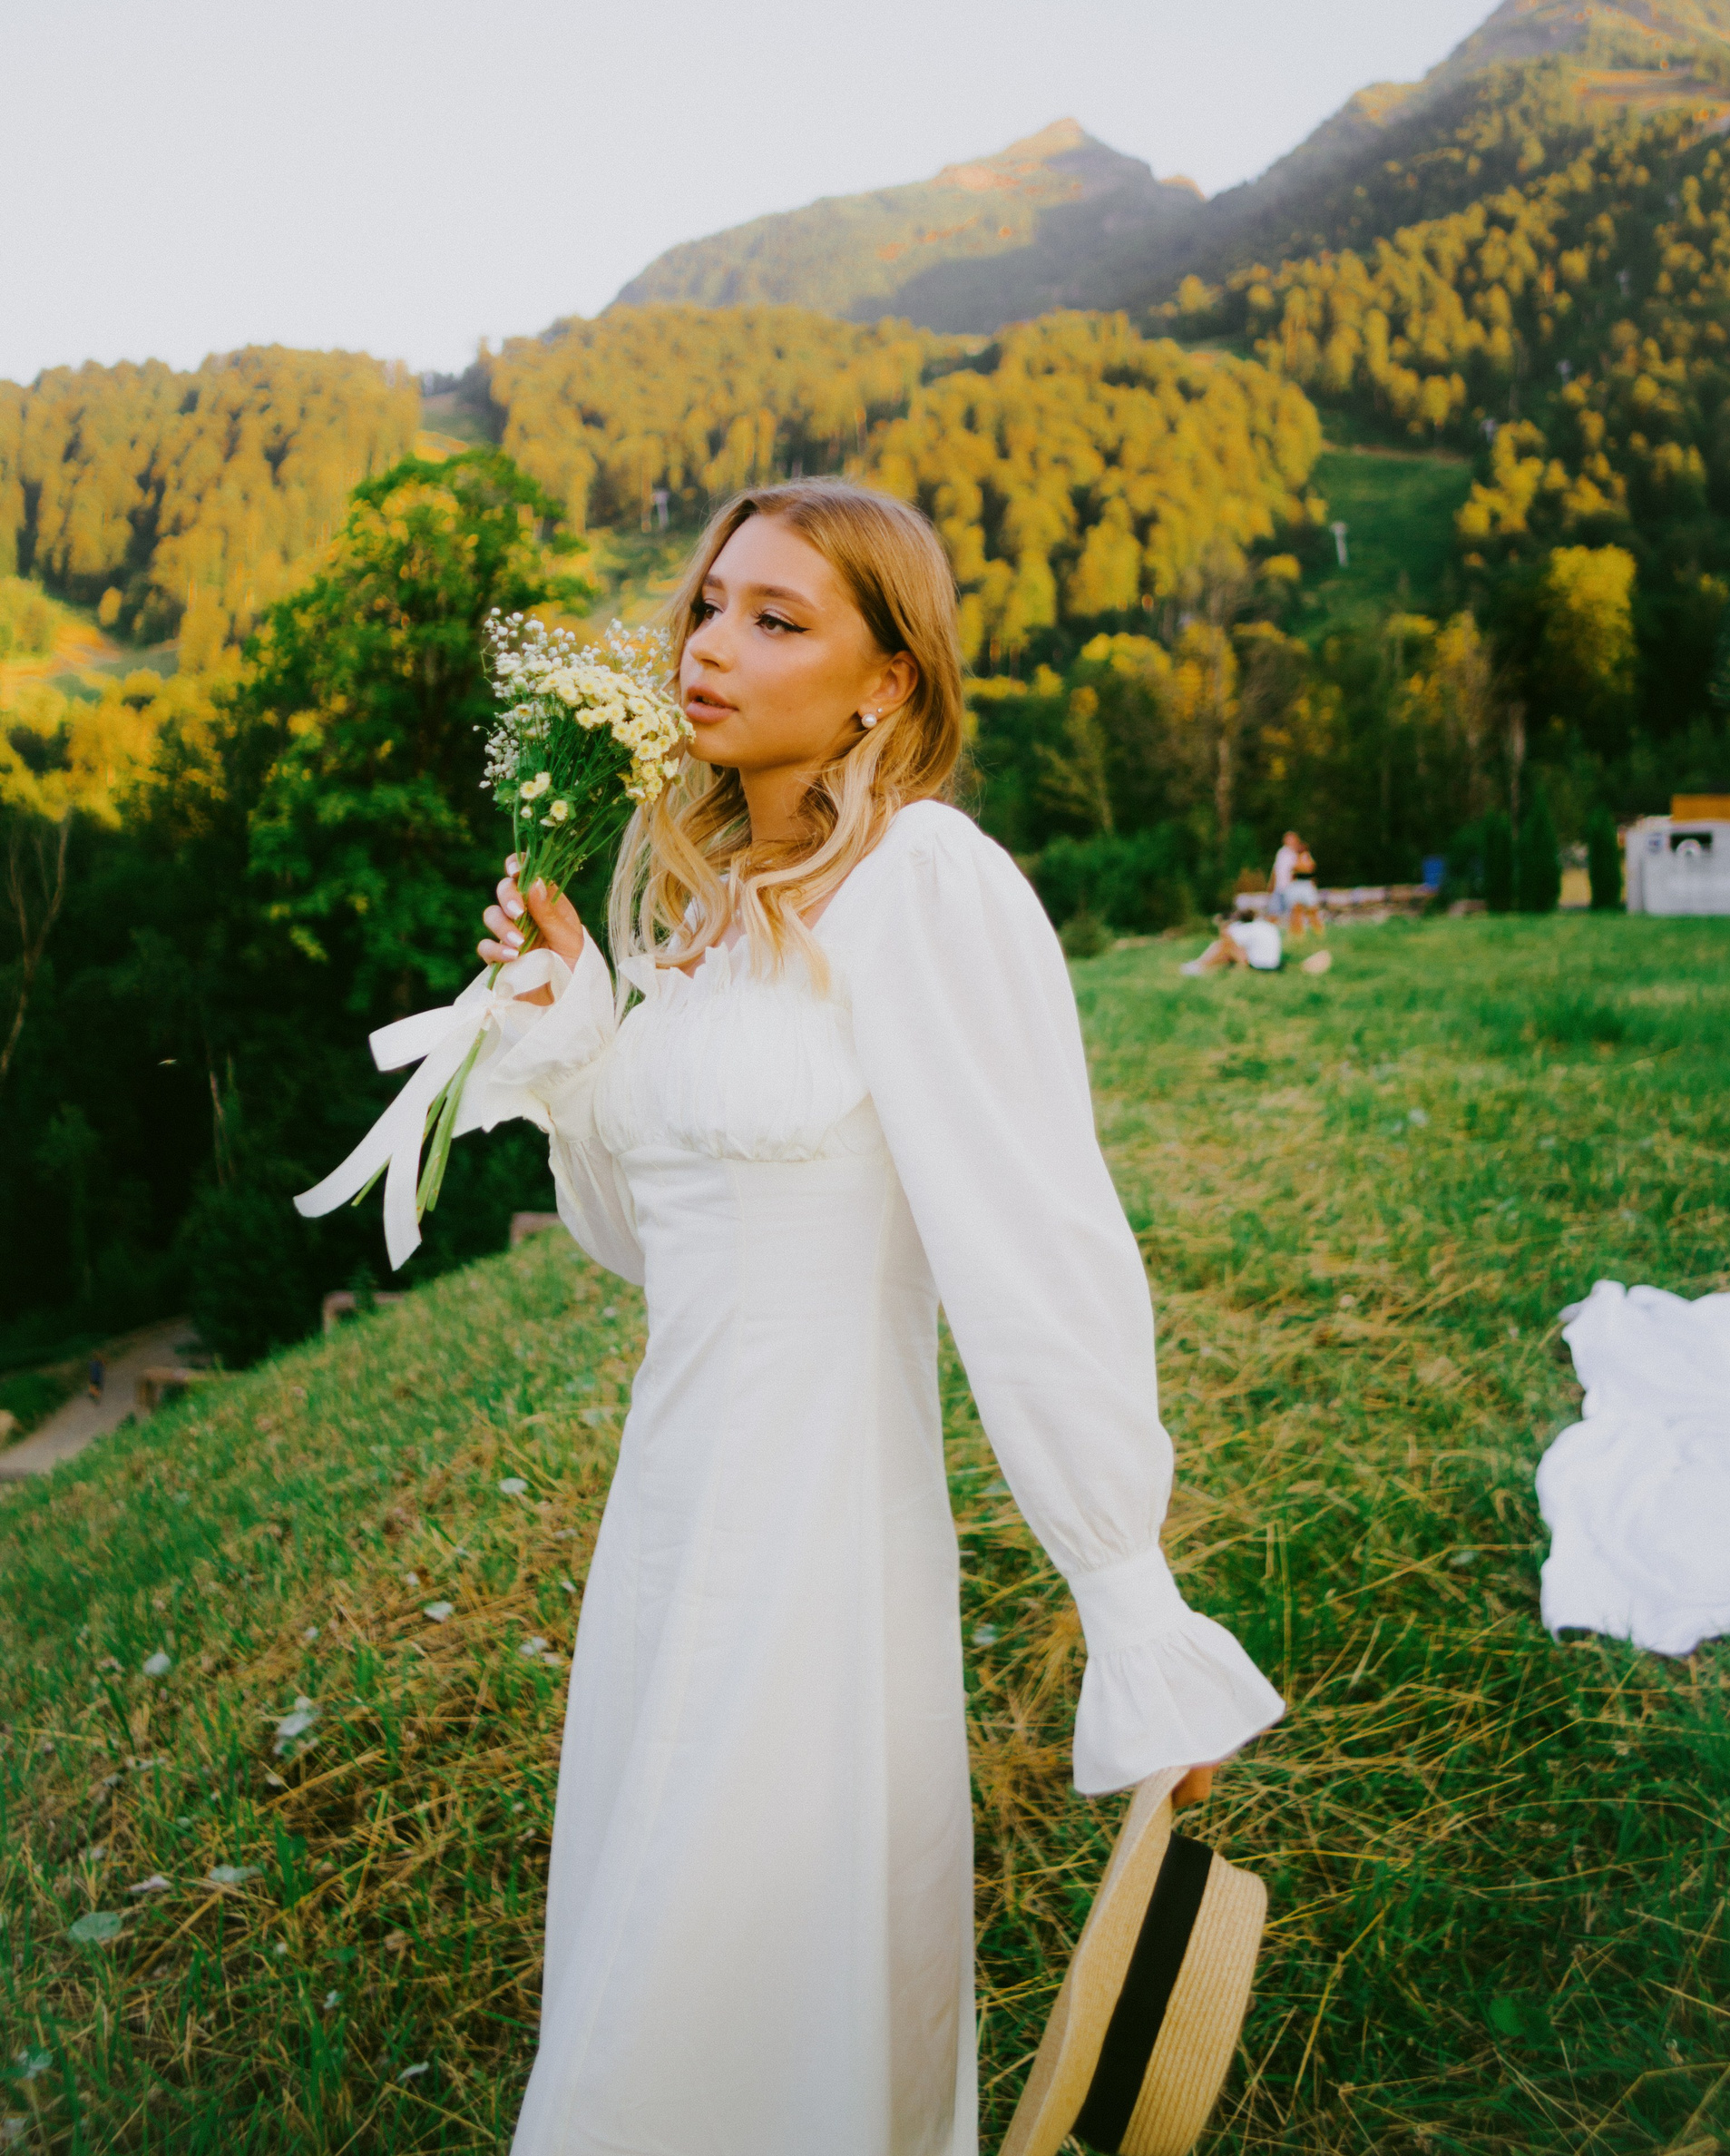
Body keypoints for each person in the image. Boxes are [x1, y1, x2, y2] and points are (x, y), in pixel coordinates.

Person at [464, 481, 1284, 2156]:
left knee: (743, 1973)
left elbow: (1034, 1245)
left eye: (780, 619)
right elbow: (649, 1244)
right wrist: (574, 1041)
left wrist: (1130, 1604)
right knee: (649, 1945)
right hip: (666, 1520)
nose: (712, 645)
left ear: (886, 680)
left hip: (820, 1532)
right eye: (710, 605)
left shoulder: (927, 883)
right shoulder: (702, 908)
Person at [1181, 915, 1284, 974]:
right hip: (1274, 965)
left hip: (1259, 966)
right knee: (1229, 950)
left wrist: (1224, 927)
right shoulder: (1268, 927)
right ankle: (1203, 965)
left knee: (1226, 945)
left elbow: (1227, 937)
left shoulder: (1249, 927)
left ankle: (1199, 966)